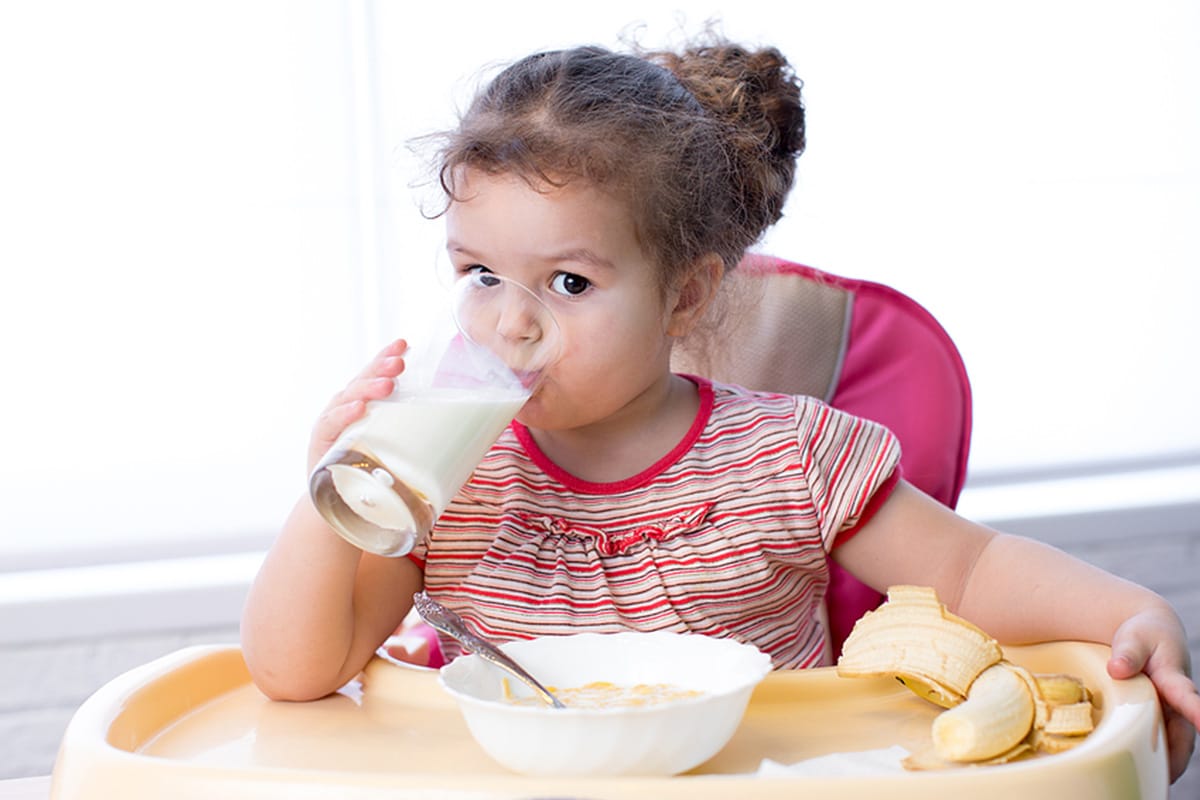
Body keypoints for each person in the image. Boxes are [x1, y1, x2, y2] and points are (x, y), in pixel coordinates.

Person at [240, 32, 1200, 782]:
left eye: (568, 284)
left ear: (686, 297)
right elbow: (296, 672)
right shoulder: (444, 480)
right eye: (481, 274)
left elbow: (977, 567)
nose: (510, 327)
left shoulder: (788, 457)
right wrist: (338, 492)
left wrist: (1129, 608)